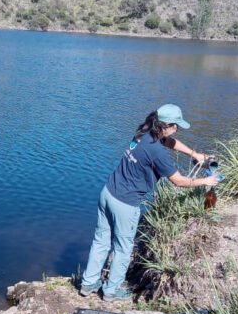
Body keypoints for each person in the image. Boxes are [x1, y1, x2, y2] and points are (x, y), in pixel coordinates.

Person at [78, 104, 219, 301]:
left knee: (101, 241)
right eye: (176, 126)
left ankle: (88, 283)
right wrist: (205, 181)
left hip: (107, 193)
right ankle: (111, 292)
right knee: (123, 248)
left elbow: (169, 142)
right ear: (166, 125)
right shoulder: (157, 153)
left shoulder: (143, 133)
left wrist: (194, 155)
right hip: (125, 204)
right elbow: (178, 181)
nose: (177, 129)